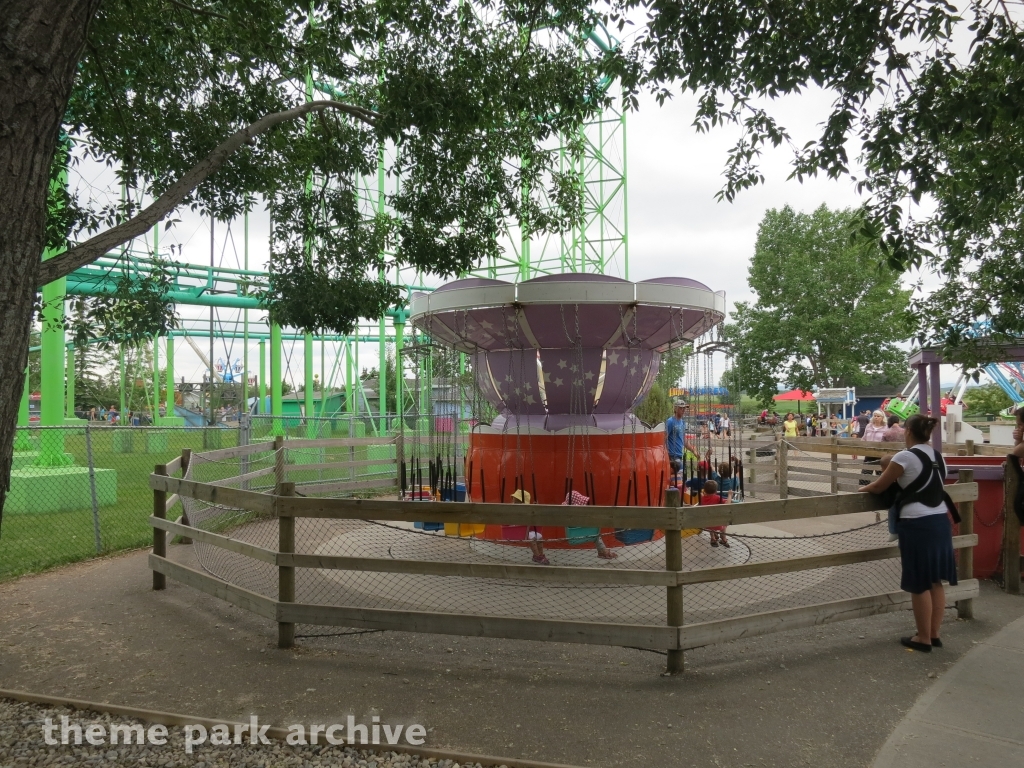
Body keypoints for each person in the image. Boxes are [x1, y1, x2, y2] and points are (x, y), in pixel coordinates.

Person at [859, 414, 958, 652]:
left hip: (917, 523)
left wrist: (863, 488)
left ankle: (922, 638)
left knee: (919, 582)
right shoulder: (937, 456)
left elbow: (880, 485)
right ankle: (934, 633)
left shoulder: (905, 456)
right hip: (940, 519)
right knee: (935, 580)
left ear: (909, 432)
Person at [563, 490, 617, 559]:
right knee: (596, 534)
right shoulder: (575, 516)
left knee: (596, 535)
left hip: (577, 533)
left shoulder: (570, 515)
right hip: (577, 533)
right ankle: (602, 551)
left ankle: (602, 551)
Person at [510, 489, 549, 565]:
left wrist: (534, 508)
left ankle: (540, 555)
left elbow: (532, 517)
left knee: (539, 536)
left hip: (525, 529)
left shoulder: (526, 510)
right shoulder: (514, 509)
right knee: (532, 537)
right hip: (517, 529)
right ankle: (537, 555)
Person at [700, 479, 730, 547]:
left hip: (707, 523)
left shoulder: (702, 498)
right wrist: (730, 495)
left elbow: (703, 497)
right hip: (719, 524)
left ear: (704, 490)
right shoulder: (717, 498)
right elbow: (727, 504)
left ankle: (713, 538)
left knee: (711, 519)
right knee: (724, 522)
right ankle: (724, 538)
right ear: (716, 491)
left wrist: (702, 494)